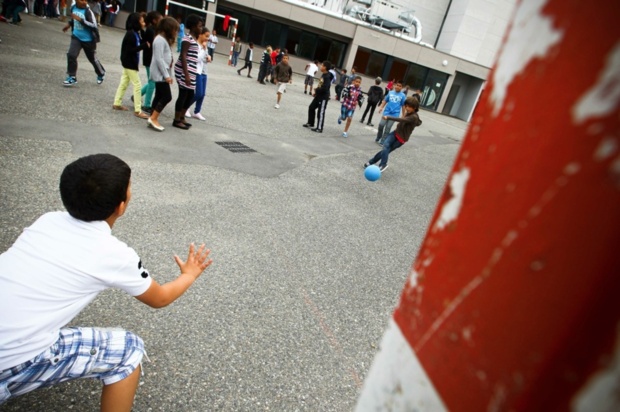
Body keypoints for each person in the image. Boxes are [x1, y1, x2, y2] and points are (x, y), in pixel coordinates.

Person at [0, 153, 213, 410]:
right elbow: (160, 298)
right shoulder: (113, 254)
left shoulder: (47, 220)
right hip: (9, 361)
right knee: (128, 350)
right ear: (121, 206)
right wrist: (189, 275)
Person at [364, 96, 422, 172]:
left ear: (415, 107)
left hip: (401, 139)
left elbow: (401, 119)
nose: (407, 108)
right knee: (385, 146)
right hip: (395, 133)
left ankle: (373, 163)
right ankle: (381, 164)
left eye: (410, 107)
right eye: (406, 106)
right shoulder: (409, 113)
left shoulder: (414, 117)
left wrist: (388, 117)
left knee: (386, 151)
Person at [112, 12, 150, 119]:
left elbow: (141, 40)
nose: (143, 22)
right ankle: (138, 110)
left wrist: (143, 32)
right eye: (142, 21)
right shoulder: (130, 34)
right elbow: (131, 50)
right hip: (129, 63)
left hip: (129, 62)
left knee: (124, 82)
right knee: (137, 85)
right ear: (136, 22)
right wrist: (144, 46)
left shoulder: (136, 33)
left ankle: (117, 102)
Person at [61, 0, 105, 87]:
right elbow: (74, 18)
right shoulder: (73, 7)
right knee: (71, 55)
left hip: (88, 40)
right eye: (82, 0)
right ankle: (72, 76)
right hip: (76, 37)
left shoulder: (88, 12)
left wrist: (81, 20)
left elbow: (94, 25)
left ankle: (101, 73)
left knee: (92, 59)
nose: (84, 2)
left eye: (85, 0)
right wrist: (69, 24)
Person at [147, 16, 179, 132]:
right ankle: (153, 118)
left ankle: (152, 116)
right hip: (160, 74)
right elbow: (159, 59)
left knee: (159, 95)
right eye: (174, 29)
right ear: (168, 28)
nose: (175, 32)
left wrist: (169, 75)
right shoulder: (160, 39)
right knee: (167, 96)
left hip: (163, 73)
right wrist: (166, 76)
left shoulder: (163, 39)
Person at [172, 14, 202, 130]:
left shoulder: (194, 39)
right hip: (185, 70)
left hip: (192, 70)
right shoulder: (187, 38)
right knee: (183, 95)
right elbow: (183, 56)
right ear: (193, 26)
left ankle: (182, 117)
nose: (201, 28)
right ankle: (176, 120)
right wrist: (186, 75)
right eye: (199, 26)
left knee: (190, 95)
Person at [185, 27, 210, 121]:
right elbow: (197, 59)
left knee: (202, 94)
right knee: (198, 93)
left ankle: (197, 111)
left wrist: (208, 57)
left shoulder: (204, 46)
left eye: (208, 37)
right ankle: (186, 107)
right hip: (197, 71)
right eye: (206, 36)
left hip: (204, 71)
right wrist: (204, 50)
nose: (207, 38)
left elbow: (205, 58)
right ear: (200, 34)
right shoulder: (196, 45)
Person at [139, 11, 162, 114]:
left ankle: (137, 95)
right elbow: (154, 45)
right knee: (152, 82)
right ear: (154, 20)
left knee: (151, 81)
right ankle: (147, 105)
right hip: (150, 59)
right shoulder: (151, 30)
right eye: (160, 20)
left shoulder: (154, 30)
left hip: (151, 59)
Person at [302, 60, 332, 133]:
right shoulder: (323, 75)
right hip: (318, 95)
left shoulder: (327, 76)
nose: (321, 66)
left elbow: (325, 88)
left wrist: (317, 90)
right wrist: (316, 92)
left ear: (325, 67)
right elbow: (320, 85)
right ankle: (310, 123)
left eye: (322, 65)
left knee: (320, 112)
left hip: (323, 97)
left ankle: (319, 128)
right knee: (311, 107)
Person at [375, 79, 406, 145]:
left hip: (394, 115)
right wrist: (381, 107)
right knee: (381, 125)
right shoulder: (390, 92)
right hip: (386, 112)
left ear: (402, 87)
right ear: (395, 85)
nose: (398, 87)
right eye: (397, 85)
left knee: (388, 128)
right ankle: (379, 136)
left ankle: (383, 141)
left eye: (400, 86)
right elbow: (385, 100)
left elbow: (403, 106)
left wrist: (403, 115)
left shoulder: (403, 96)